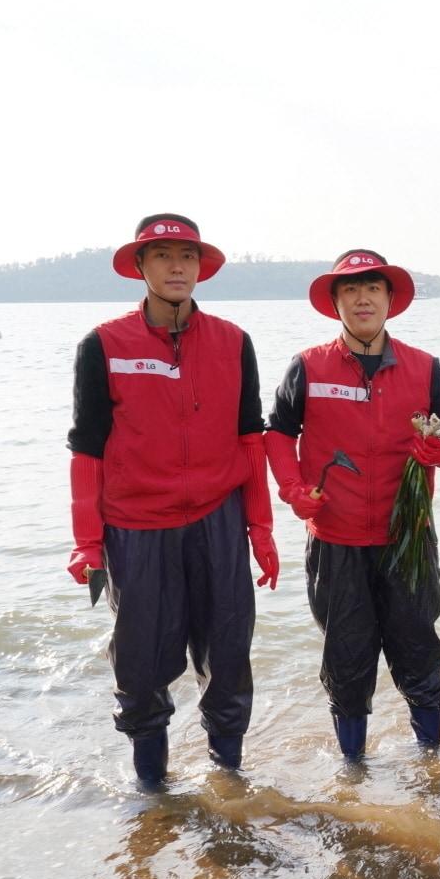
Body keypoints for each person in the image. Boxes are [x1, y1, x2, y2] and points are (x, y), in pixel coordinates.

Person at [66, 213, 278, 787]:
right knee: (140, 663)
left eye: (187, 255)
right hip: (135, 525)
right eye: (162, 255)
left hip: (218, 518)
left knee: (229, 653)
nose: (177, 265)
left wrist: (260, 530)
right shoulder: (104, 344)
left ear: (201, 266)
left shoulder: (234, 342)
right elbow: (87, 451)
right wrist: (88, 542)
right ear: (140, 266)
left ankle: (229, 783)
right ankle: (151, 794)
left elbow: (249, 440)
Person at [265, 249, 440, 763]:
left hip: (409, 539)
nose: (362, 298)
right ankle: (353, 773)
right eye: (350, 289)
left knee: (420, 656)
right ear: (335, 302)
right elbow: (279, 434)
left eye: (372, 288)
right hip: (337, 541)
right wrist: (292, 489)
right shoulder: (308, 366)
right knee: (347, 661)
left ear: (389, 300)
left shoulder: (425, 368)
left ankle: (431, 765)